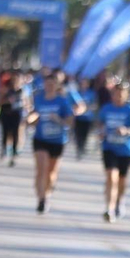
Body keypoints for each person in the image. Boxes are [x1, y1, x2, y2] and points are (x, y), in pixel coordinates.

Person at [27, 72, 77, 213]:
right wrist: (30, 119)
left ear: (56, 86)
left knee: (51, 172)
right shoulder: (38, 99)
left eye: (52, 84)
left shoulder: (62, 101)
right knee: (41, 168)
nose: (49, 86)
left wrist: (58, 120)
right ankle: (41, 198)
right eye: (47, 84)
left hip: (57, 140)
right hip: (40, 138)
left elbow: (70, 121)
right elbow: (33, 116)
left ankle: (47, 194)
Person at [98, 81, 130, 221]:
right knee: (111, 177)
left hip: (126, 150)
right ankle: (109, 208)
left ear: (126, 95)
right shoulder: (106, 108)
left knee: (121, 180)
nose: (118, 96)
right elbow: (100, 124)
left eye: (122, 93)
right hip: (109, 147)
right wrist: (101, 132)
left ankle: (120, 201)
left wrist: (127, 131)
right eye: (116, 93)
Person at [0, 72, 28, 166]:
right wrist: (7, 100)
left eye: (18, 80)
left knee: (16, 134)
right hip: (6, 113)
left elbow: (28, 103)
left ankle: (13, 155)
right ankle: (4, 149)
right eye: (14, 80)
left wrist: (25, 106)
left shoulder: (23, 91)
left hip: (17, 114)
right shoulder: (6, 90)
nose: (16, 82)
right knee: (6, 133)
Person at [70, 79, 94, 160]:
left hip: (87, 117)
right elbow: (72, 104)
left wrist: (87, 107)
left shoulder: (91, 93)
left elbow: (94, 104)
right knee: (77, 134)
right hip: (78, 117)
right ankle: (78, 149)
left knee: (84, 135)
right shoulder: (77, 93)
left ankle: (82, 148)